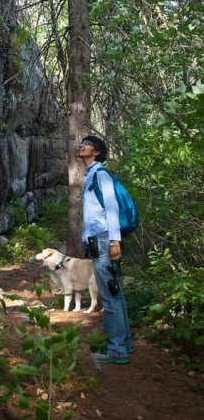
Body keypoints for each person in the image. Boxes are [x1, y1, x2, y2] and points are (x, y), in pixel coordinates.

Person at [79, 135, 134, 365]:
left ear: (97, 152)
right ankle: (124, 343)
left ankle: (116, 350)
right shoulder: (91, 174)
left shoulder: (100, 175)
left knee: (109, 296)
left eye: (88, 143)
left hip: (104, 241)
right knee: (114, 292)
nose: (82, 145)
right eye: (82, 142)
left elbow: (111, 209)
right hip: (98, 241)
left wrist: (114, 242)